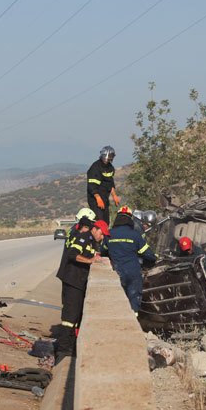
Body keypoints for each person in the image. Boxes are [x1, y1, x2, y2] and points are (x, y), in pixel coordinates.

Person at [55, 219, 108, 359]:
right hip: (73, 281)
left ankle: (70, 347)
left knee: (77, 315)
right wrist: (90, 261)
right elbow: (72, 254)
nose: (102, 238)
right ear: (95, 229)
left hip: (79, 281)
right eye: (101, 234)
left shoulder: (92, 241)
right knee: (70, 317)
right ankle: (63, 350)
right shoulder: (84, 237)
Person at [103, 210, 156, 313]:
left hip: (116, 272)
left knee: (118, 299)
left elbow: (103, 251)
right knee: (133, 299)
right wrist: (154, 258)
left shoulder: (109, 234)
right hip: (133, 272)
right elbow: (147, 254)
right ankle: (133, 319)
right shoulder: (135, 234)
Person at [86, 145, 120, 222]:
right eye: (107, 157)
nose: (108, 159)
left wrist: (114, 195)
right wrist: (97, 197)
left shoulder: (110, 167)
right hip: (95, 200)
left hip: (105, 199)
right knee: (99, 221)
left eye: (110, 157)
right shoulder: (95, 167)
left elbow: (110, 182)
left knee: (106, 222)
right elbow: (91, 185)